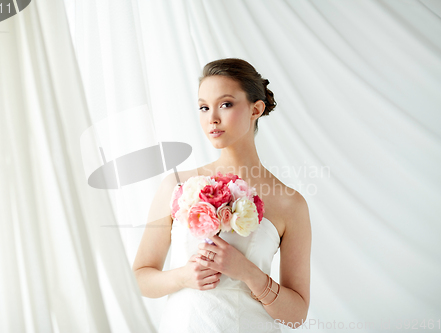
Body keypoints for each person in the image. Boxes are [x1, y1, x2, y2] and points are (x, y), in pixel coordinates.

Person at [132, 58, 311, 332]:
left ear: (256, 108)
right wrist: (183, 277)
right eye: (204, 107)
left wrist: (250, 274)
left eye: (225, 104)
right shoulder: (178, 185)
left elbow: (296, 315)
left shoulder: (289, 203)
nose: (212, 118)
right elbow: (140, 277)